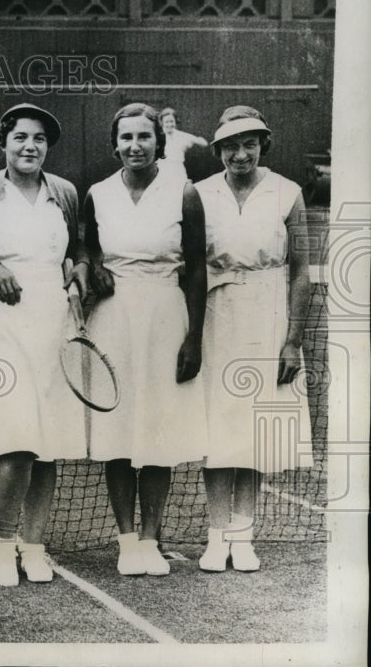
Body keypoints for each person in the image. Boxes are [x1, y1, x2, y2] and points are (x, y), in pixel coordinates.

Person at [0, 103, 88, 587]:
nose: (30, 146)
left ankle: (34, 546)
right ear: (2, 142)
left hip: (55, 319)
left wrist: (80, 268)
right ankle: (3, 546)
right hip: (4, 322)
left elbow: (80, 247)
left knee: (47, 443)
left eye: (39, 139)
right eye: (20, 138)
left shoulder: (66, 193)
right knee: (15, 440)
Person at [84, 102, 208, 576]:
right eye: (126, 138)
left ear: (159, 141)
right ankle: (127, 542)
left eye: (144, 137)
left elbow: (196, 269)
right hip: (114, 319)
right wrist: (94, 267)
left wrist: (194, 338)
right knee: (118, 433)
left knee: (157, 434)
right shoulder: (97, 193)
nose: (135, 146)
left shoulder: (185, 192)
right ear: (114, 144)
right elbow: (88, 247)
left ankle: (152, 540)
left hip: (166, 316)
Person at [195, 106, 312, 572]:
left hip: (270, 316)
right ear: (219, 149)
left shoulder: (288, 192)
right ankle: (216, 535)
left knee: (257, 433)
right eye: (229, 146)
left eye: (248, 143)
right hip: (216, 315)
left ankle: (243, 536)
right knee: (218, 427)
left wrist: (292, 341)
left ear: (263, 144)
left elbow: (301, 270)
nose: (239, 154)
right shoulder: (199, 194)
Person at [158, 107, 209, 180]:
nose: (169, 124)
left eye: (171, 121)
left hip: (178, 170)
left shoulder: (181, 135)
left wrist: (198, 140)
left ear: (175, 122)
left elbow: (204, 143)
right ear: (162, 123)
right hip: (162, 170)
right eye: (167, 122)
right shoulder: (158, 136)